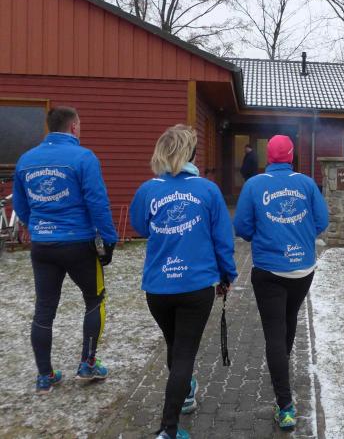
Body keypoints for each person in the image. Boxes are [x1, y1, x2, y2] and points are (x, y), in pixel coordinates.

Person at [130, 125, 238, 439]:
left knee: (175, 346)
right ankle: (168, 428)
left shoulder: (148, 189)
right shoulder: (208, 190)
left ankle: (186, 394)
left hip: (158, 288)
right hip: (195, 286)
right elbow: (223, 240)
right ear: (191, 153)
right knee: (184, 353)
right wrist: (227, 275)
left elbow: (140, 226)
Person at [13, 106, 118, 394]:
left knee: (44, 309)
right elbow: (97, 201)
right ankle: (87, 364)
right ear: (74, 127)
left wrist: (35, 226)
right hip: (78, 243)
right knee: (95, 299)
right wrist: (109, 239)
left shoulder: (26, 160)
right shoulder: (83, 157)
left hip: (43, 245)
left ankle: (44, 376)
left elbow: (21, 205)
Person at [233, 135, 328, 430]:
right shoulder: (307, 183)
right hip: (302, 269)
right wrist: (301, 234)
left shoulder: (254, 184)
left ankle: (285, 406)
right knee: (288, 319)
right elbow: (321, 221)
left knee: (275, 331)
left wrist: (265, 236)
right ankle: (281, 366)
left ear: (269, 157)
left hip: (269, 270)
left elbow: (242, 227)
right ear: (291, 155)